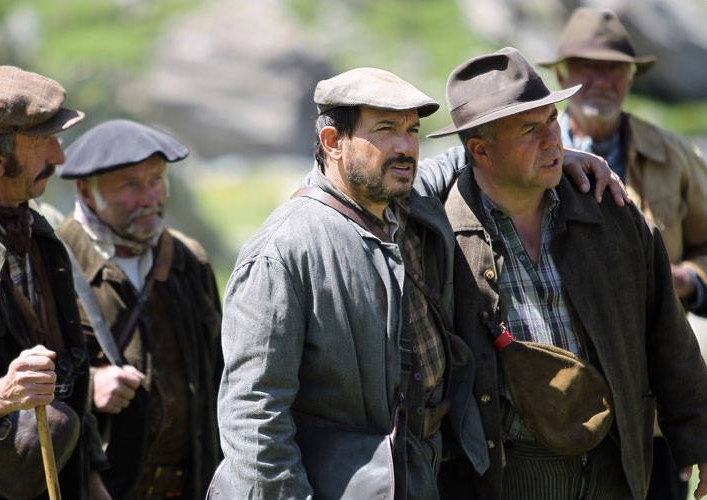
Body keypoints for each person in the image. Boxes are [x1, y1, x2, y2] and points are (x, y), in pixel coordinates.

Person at [210, 65, 625, 499]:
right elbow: (253, 417)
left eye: (412, 130)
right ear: (333, 143)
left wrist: (551, 155)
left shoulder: (403, 201)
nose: (406, 147)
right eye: (386, 129)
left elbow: (472, 153)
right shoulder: (282, 253)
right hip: (342, 482)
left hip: (423, 470)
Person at [428, 46, 707, 500]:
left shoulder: (610, 211)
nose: (553, 140)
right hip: (507, 476)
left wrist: (698, 434)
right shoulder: (440, 237)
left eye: (553, 121)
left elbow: (666, 331)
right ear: (479, 150)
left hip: (614, 465)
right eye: (528, 129)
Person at [538, 8, 707, 499]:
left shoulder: (671, 154)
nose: (601, 80)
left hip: (650, 403)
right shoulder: (529, 156)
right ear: (563, 75)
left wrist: (686, 279)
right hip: (552, 399)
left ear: (631, 77)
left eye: (615, 68)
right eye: (587, 67)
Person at [0, 65, 111, 499]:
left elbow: (69, 367)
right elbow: (3, 396)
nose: (60, 157)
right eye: (44, 142)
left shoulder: (38, 234)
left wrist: (92, 477)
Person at [54, 119, 223, 499]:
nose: (150, 198)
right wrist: (90, 385)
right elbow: (16, 378)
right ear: (86, 190)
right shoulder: (54, 262)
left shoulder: (187, 260)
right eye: (131, 185)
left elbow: (220, 374)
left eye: (156, 181)